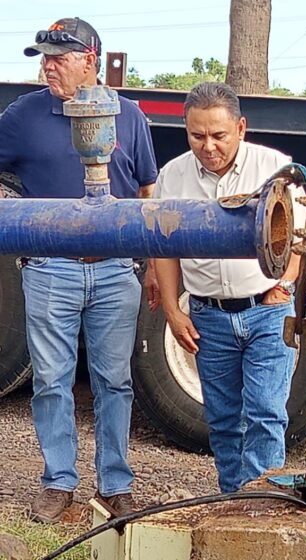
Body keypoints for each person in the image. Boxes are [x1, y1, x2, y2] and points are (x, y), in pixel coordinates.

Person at [0, 17, 158, 522]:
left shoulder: (129, 116)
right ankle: (58, 481)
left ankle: (115, 484)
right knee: (51, 379)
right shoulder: (24, 115)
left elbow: (147, 191)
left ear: (90, 60)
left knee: (115, 381)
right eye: (44, 58)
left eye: (58, 58)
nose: (48, 67)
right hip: (50, 267)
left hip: (114, 269)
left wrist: (152, 264)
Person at [155, 82, 306, 493]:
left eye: (218, 135)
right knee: (222, 421)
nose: (208, 146)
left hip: (267, 311)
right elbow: (163, 248)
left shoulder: (276, 168)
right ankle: (231, 502)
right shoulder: (172, 176)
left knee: (265, 414)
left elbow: (302, 235)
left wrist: (285, 284)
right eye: (197, 136)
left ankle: (261, 507)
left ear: (241, 127)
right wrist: (172, 310)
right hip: (209, 314)